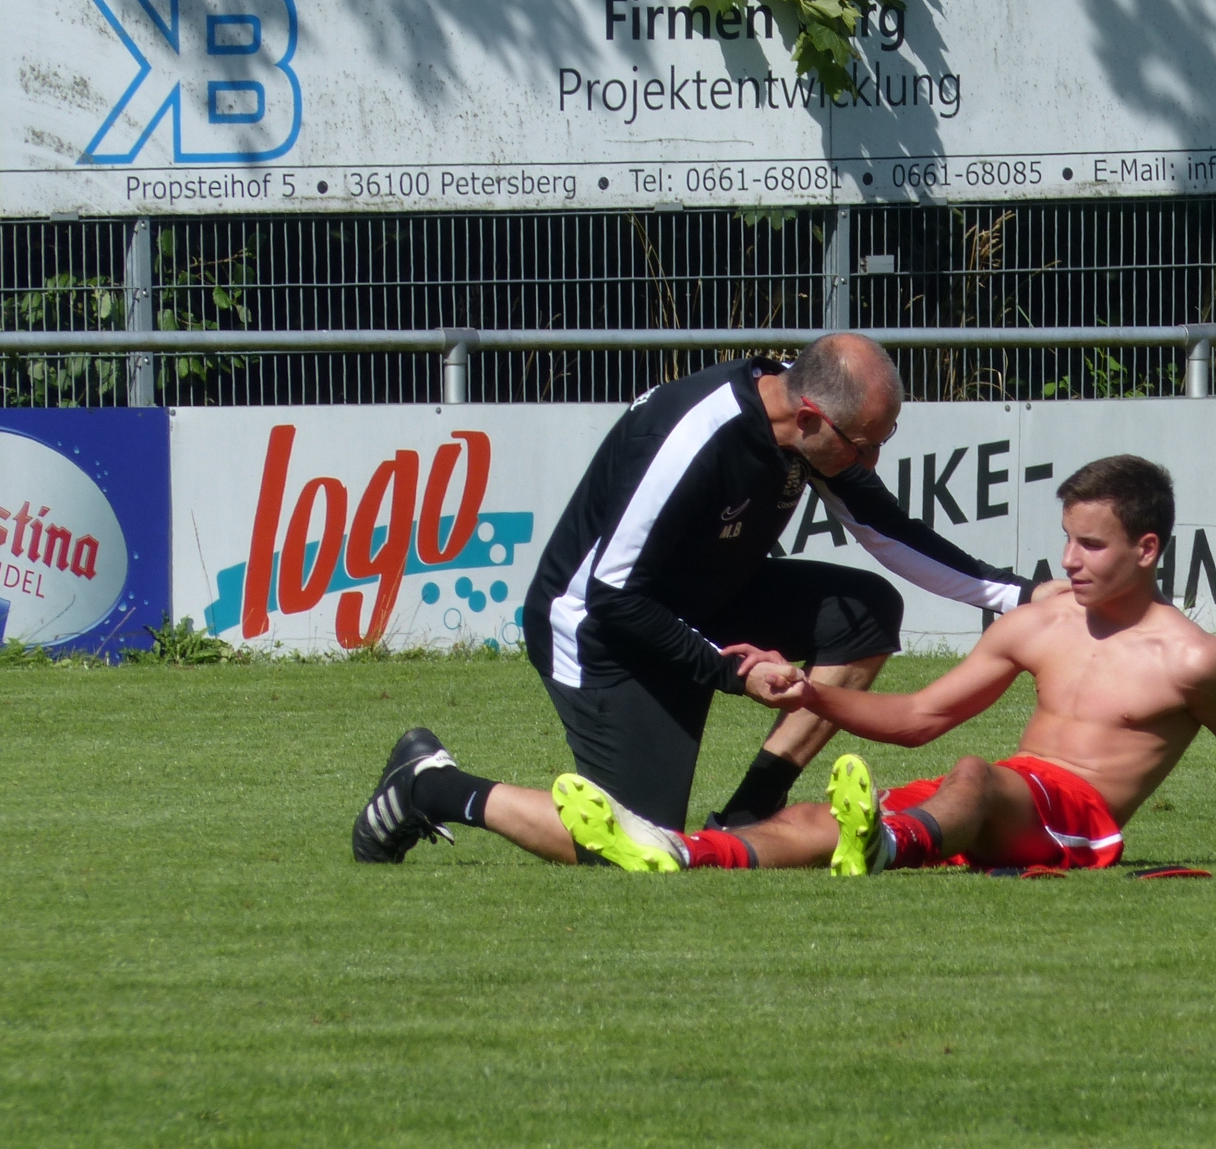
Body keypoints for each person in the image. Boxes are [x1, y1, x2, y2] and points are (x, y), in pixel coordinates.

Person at [351, 332, 1052, 866]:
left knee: (866, 611)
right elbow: (614, 594)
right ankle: (429, 787)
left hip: (700, 602)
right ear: (810, 417)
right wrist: (731, 667)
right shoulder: (693, 437)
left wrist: (1022, 595)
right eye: (863, 446)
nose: (870, 462)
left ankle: (749, 813)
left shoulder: (809, 432)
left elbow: (887, 531)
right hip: (599, 629)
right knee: (638, 842)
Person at [551, 454, 1216, 874]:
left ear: (1147, 549)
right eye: (1067, 538)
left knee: (975, 773)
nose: (1069, 559)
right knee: (805, 820)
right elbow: (917, 719)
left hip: (1075, 824)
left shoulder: (1197, 659)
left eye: (1093, 543)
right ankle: (682, 853)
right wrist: (811, 695)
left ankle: (886, 846)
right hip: (996, 806)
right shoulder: (1042, 624)